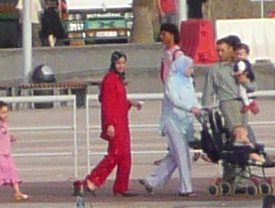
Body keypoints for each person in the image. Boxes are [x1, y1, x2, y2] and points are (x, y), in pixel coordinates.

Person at [146, 29, 198, 197]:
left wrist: (199, 109)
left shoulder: (187, 82)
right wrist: (190, 108)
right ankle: (186, 188)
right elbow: (175, 100)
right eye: (190, 67)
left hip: (184, 121)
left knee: (176, 153)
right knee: (181, 153)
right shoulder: (172, 82)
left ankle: (152, 181)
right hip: (172, 120)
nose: (192, 70)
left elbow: (192, 99)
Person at [83, 51, 134, 197]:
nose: (121, 66)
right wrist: (109, 124)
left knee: (125, 156)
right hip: (115, 122)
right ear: (113, 64)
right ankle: (92, 180)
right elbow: (108, 104)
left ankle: (122, 186)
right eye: (118, 63)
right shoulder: (110, 80)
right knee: (115, 154)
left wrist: (131, 104)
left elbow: (119, 102)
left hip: (122, 121)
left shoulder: (117, 80)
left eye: (123, 63)